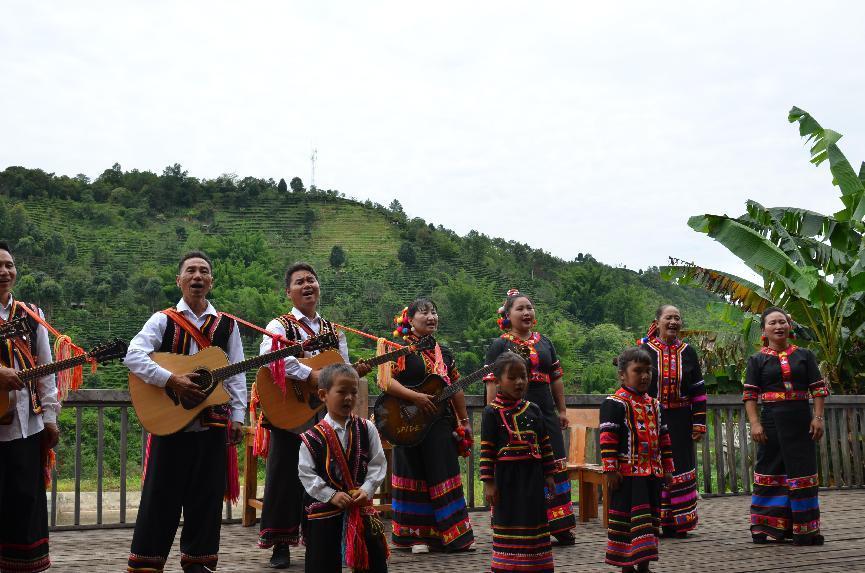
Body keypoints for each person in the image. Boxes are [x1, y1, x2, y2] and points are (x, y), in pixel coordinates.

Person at [125, 251, 247, 573]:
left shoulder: (228, 325)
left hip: (213, 426)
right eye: (190, 271)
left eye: (204, 271)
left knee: (206, 502)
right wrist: (172, 380)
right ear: (179, 280)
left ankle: (199, 564)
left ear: (211, 281)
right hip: (171, 426)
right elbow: (133, 356)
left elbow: (235, 374)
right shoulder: (162, 320)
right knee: (160, 500)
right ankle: (147, 565)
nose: (197, 276)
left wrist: (238, 416)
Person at [257, 262, 371, 568]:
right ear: (289, 292)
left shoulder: (334, 331)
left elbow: (342, 369)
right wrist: (311, 376)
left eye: (311, 280)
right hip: (290, 410)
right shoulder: (280, 325)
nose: (307, 285)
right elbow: (271, 359)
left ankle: (320, 538)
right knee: (283, 476)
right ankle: (280, 544)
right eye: (299, 282)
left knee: (324, 473)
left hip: (323, 413)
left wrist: (352, 373)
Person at [378, 297, 474, 553]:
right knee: (413, 474)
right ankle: (415, 537)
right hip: (406, 422)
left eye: (434, 312)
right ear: (410, 320)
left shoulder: (445, 353)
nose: (431, 317)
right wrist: (416, 398)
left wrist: (464, 421)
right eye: (424, 313)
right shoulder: (398, 348)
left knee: (444, 473)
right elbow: (386, 382)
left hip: (440, 423)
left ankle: (452, 535)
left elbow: (455, 388)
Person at [483, 289, 576, 544]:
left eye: (529, 308)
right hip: (509, 411)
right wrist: (494, 412)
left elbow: (556, 378)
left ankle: (559, 524)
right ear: (508, 315)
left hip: (544, 408)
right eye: (520, 309)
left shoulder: (545, 342)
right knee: (518, 465)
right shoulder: (499, 345)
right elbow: (491, 382)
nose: (526, 312)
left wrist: (562, 411)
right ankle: (514, 522)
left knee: (553, 461)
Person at [743, 306, 829, 546]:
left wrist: (818, 417)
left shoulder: (805, 355)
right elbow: (750, 396)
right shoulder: (757, 360)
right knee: (771, 472)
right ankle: (767, 528)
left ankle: (805, 530)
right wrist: (755, 423)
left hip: (802, 422)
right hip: (771, 422)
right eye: (772, 323)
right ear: (764, 330)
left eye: (782, 322)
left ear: (789, 326)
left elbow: (818, 389)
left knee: (802, 473)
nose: (778, 326)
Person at [0, 241, 59, 573]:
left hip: (27, 425)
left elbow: (46, 370)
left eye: (9, 264)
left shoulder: (31, 314)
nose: (4, 271)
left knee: (26, 503)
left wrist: (49, 417)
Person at [298, 363, 388, 573]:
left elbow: (378, 464)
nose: (348, 398)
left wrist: (366, 490)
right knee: (322, 563)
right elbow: (307, 473)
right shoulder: (311, 438)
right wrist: (330, 495)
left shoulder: (367, 428)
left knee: (373, 561)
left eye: (353, 392)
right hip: (325, 508)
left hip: (360, 504)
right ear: (323, 394)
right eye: (341, 392)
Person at [481, 352, 556, 573]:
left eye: (523, 376)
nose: (519, 382)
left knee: (534, 521)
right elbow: (487, 450)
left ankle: (535, 566)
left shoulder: (534, 409)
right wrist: (489, 482)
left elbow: (545, 444)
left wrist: (549, 474)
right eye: (512, 378)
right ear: (497, 381)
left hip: (532, 477)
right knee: (509, 521)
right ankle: (509, 567)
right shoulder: (491, 412)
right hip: (507, 479)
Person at [601, 347, 674, 573]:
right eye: (638, 371)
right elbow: (607, 439)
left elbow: (664, 438)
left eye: (648, 371)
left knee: (649, 521)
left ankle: (644, 566)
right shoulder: (614, 403)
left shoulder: (654, 404)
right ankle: (626, 567)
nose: (644, 376)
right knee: (627, 523)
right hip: (628, 476)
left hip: (652, 474)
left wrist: (668, 469)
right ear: (623, 374)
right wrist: (611, 469)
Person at [639, 304, 705, 536]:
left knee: (680, 465)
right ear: (656, 322)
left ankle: (679, 522)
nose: (673, 322)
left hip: (681, 418)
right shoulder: (644, 350)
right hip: (650, 418)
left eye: (677, 318)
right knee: (653, 465)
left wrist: (699, 422)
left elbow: (698, 389)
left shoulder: (688, 352)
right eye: (669, 318)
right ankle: (653, 521)